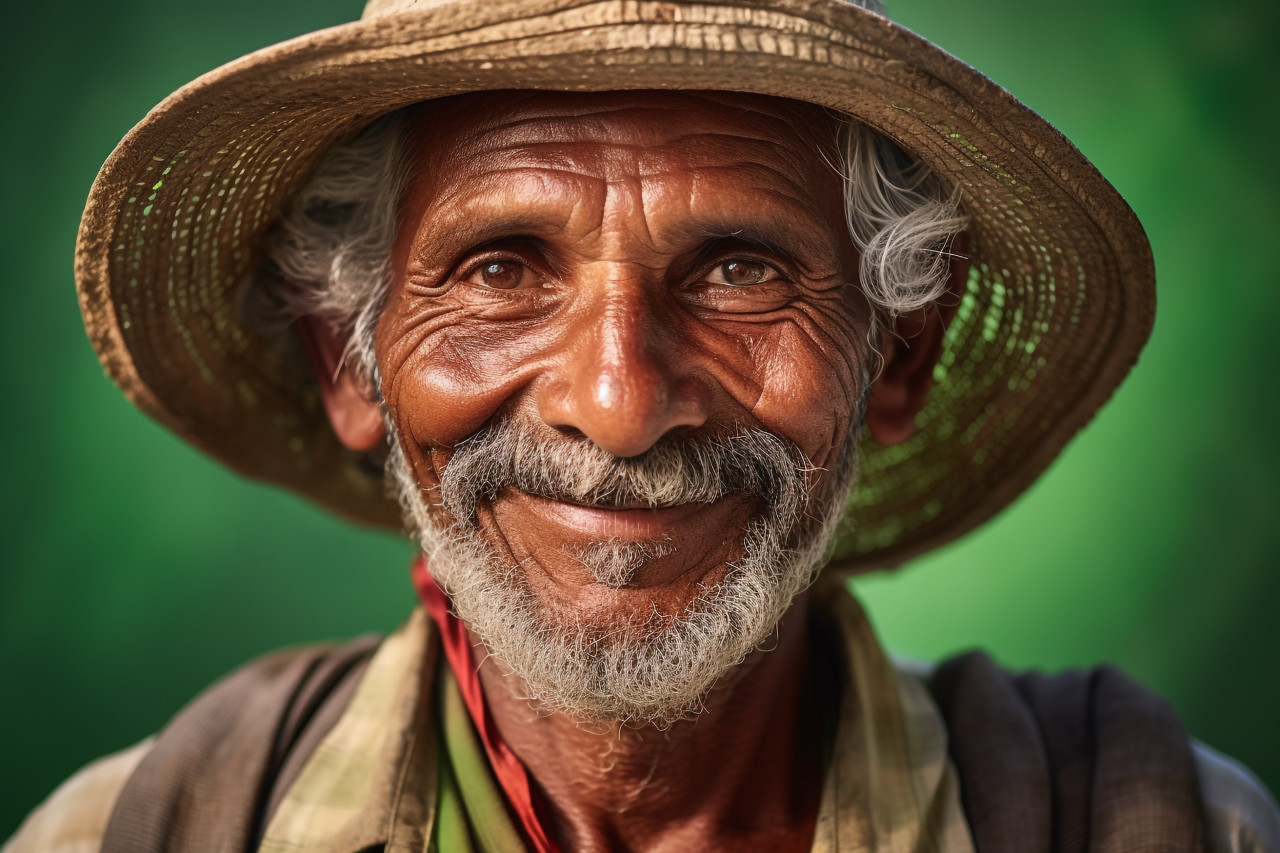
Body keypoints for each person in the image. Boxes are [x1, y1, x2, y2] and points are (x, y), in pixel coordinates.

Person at [6, 0, 1278, 851]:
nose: (616, 406)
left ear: (897, 354)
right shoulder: (141, 828)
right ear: (343, 357)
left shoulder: (1163, 823)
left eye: (735, 270)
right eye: (501, 268)